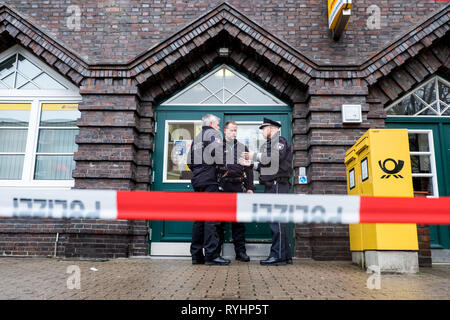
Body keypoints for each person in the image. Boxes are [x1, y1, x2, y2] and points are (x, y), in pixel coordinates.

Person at [241, 117, 293, 266]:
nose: (262, 132)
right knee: (277, 221)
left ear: (270, 128)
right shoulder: (272, 143)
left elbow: (272, 159)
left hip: (277, 186)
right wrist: (251, 164)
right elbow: (268, 166)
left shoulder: (279, 142)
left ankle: (278, 256)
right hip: (273, 186)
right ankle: (285, 255)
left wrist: (253, 156)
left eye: (263, 129)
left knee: (276, 222)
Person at [187, 114, 230, 266]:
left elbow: (189, 162)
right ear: (211, 123)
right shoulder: (213, 134)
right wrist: (223, 169)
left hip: (198, 181)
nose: (219, 127)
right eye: (218, 124)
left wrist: (200, 171)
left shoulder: (197, 138)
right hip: (210, 181)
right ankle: (211, 255)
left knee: (199, 218)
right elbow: (218, 152)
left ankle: (196, 255)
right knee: (212, 218)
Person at [217, 121, 254, 262]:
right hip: (223, 188)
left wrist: (250, 188)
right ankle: (216, 253)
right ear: (225, 131)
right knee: (219, 222)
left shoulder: (242, 147)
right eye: (231, 130)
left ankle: (240, 253)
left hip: (238, 188)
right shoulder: (218, 148)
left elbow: (249, 169)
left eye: (235, 131)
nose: (234, 133)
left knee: (239, 223)